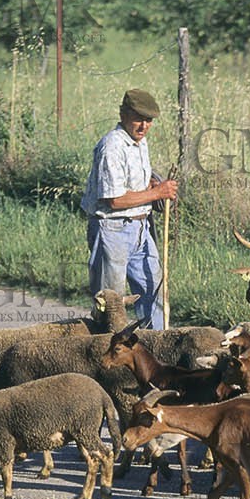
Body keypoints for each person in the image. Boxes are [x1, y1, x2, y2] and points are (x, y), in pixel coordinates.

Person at [81, 88, 178, 329]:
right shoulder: (112, 146)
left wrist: (152, 185)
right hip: (112, 229)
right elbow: (114, 200)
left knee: (153, 290)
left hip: (140, 228)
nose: (144, 126)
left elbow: (134, 184)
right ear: (123, 114)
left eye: (149, 120)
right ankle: (106, 354)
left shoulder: (139, 142)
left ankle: (157, 347)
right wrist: (157, 193)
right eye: (139, 118)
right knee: (110, 301)